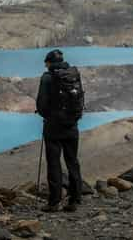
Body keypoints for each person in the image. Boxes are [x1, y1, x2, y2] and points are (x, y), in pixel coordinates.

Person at [36, 49, 84, 212]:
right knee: (72, 161)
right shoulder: (73, 75)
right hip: (72, 126)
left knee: (54, 163)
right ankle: (75, 199)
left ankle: (54, 202)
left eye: (46, 62)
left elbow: (41, 105)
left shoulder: (47, 78)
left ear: (49, 62)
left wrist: (49, 115)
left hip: (53, 128)